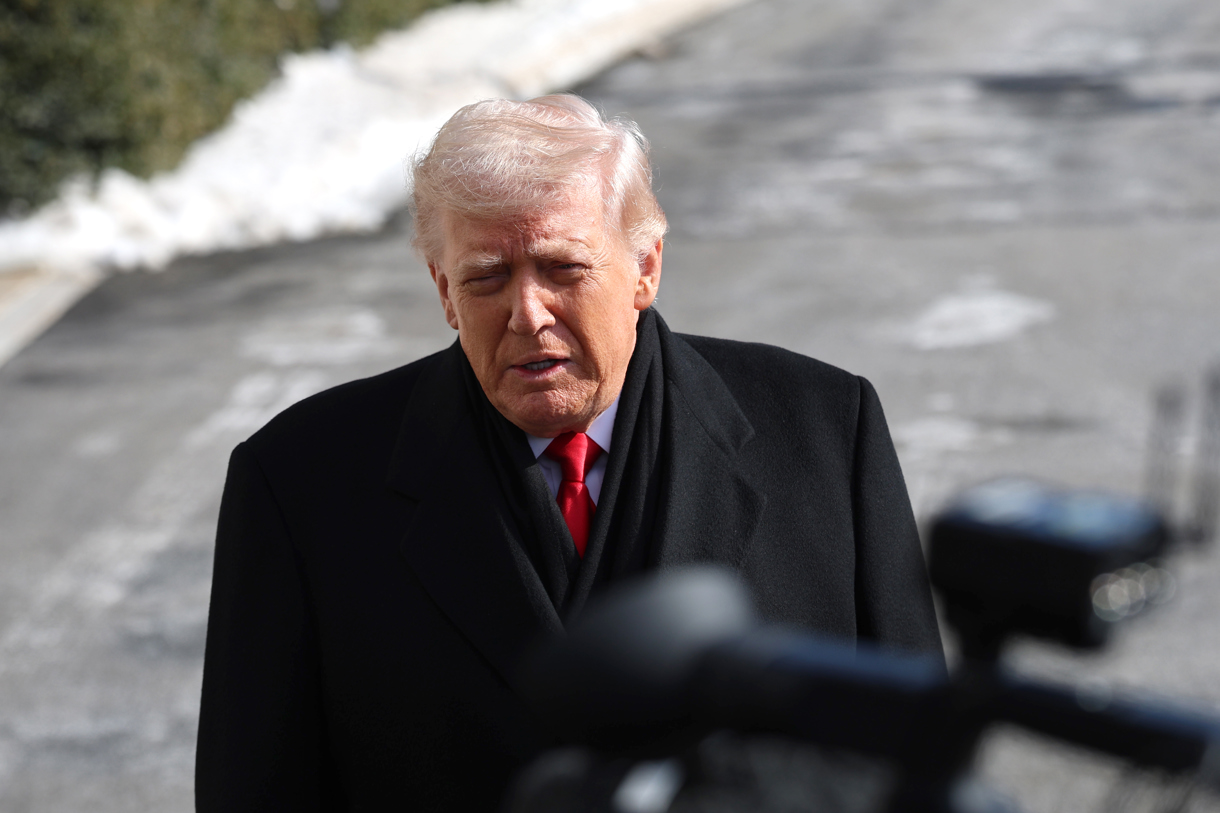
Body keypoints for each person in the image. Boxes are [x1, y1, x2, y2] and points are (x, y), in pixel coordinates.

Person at [195, 94, 942, 812]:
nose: (527, 312)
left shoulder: (823, 432)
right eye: (486, 277)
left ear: (644, 266)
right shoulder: (300, 483)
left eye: (563, 269)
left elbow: (918, 761)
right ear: (443, 290)